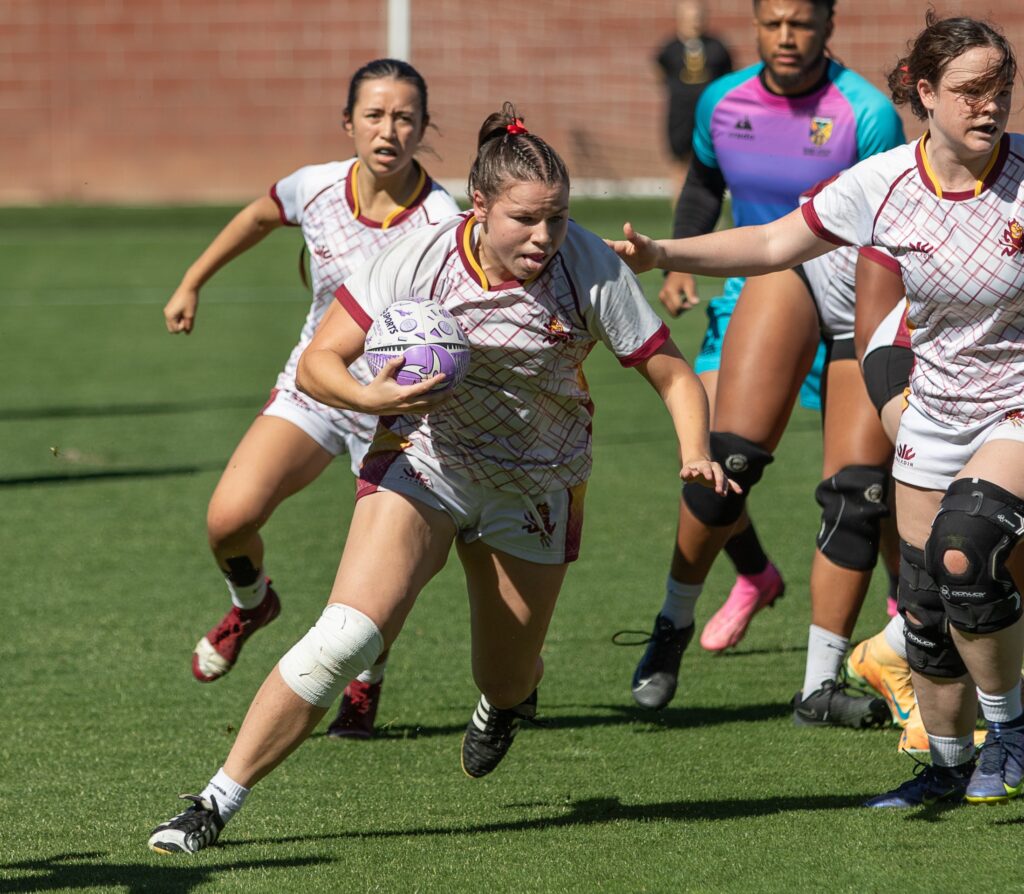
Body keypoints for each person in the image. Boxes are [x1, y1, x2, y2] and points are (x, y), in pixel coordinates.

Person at [146, 105, 733, 854]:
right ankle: (213, 802)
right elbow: (322, 362)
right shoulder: (416, 260)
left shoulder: (590, 268)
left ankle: (505, 702)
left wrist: (695, 447)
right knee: (345, 637)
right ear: (479, 207)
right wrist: (370, 398)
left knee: (507, 676)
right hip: (424, 465)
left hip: (536, 488)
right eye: (525, 219)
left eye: (556, 218)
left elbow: (674, 374)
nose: (544, 237)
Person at [609, 12, 1024, 808]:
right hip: (936, 411)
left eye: (1000, 90)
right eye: (970, 91)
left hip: (1012, 410)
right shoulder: (885, 184)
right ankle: (945, 767)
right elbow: (771, 245)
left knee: (967, 551)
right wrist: (664, 253)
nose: (989, 107)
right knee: (930, 607)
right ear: (927, 94)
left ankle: (1009, 732)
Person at [161, 60, 461, 738]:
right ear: (348, 123)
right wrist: (192, 281)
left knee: (385, 573)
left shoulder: (444, 221)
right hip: (319, 384)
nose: (390, 130)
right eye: (376, 115)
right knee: (228, 520)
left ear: (423, 128)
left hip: (398, 410)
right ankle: (252, 603)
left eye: (405, 117)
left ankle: (366, 678)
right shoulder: (317, 186)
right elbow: (259, 215)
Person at [624, 0, 905, 716]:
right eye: (774, 21)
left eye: (802, 22)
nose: (788, 36)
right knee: (724, 462)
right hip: (771, 279)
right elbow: (704, 185)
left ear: (828, 27)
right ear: (755, 24)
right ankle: (673, 622)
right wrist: (675, 260)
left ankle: (820, 684)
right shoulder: (721, 99)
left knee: (862, 495)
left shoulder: (866, 113)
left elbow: (886, 233)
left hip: (864, 294)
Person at [655, 0, 733, 188]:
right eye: (690, 17)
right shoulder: (669, 49)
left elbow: (728, 77)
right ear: (679, 18)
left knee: (710, 164)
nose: (695, 21)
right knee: (680, 165)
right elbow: (661, 75)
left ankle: (711, 214)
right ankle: (679, 214)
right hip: (680, 115)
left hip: (710, 115)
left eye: (698, 16)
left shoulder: (718, 47)